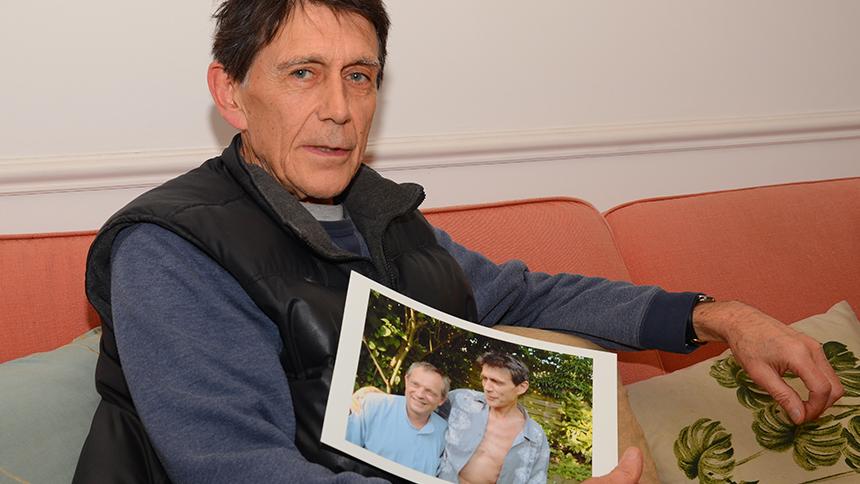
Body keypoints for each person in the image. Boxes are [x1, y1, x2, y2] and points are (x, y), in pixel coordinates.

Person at [72, 1, 843, 483]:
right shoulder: (171, 248)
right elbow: (239, 470)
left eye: (361, 76)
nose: (340, 108)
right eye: (303, 74)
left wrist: (719, 317)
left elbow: (526, 293)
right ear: (232, 93)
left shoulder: (381, 215)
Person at [439, 352, 549, 484]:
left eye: (497, 382)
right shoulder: (460, 400)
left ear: (521, 387)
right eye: (485, 378)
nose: (487, 387)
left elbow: (537, 480)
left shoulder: (534, 436)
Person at [346, 362, 449, 475]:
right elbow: (343, 456)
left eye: (429, 391)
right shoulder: (371, 406)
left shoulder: (446, 434)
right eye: (415, 384)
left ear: (441, 400)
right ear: (406, 380)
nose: (420, 394)